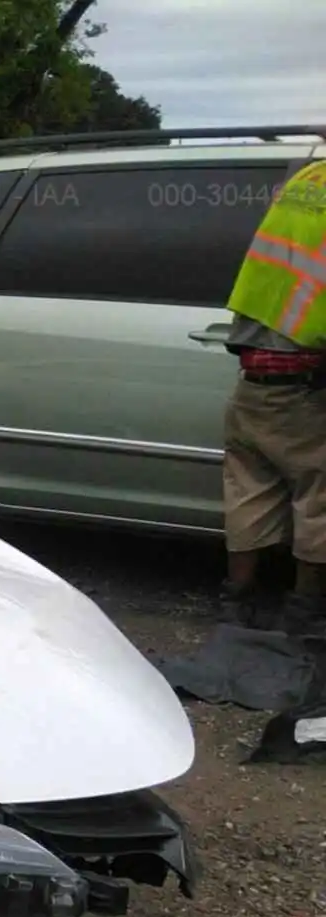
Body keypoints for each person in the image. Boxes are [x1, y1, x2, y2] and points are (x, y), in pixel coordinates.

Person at [219, 157, 326, 637]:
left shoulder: (302, 176)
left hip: (252, 377)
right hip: (300, 385)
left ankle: (236, 602)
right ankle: (303, 610)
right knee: (318, 498)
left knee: (247, 489)